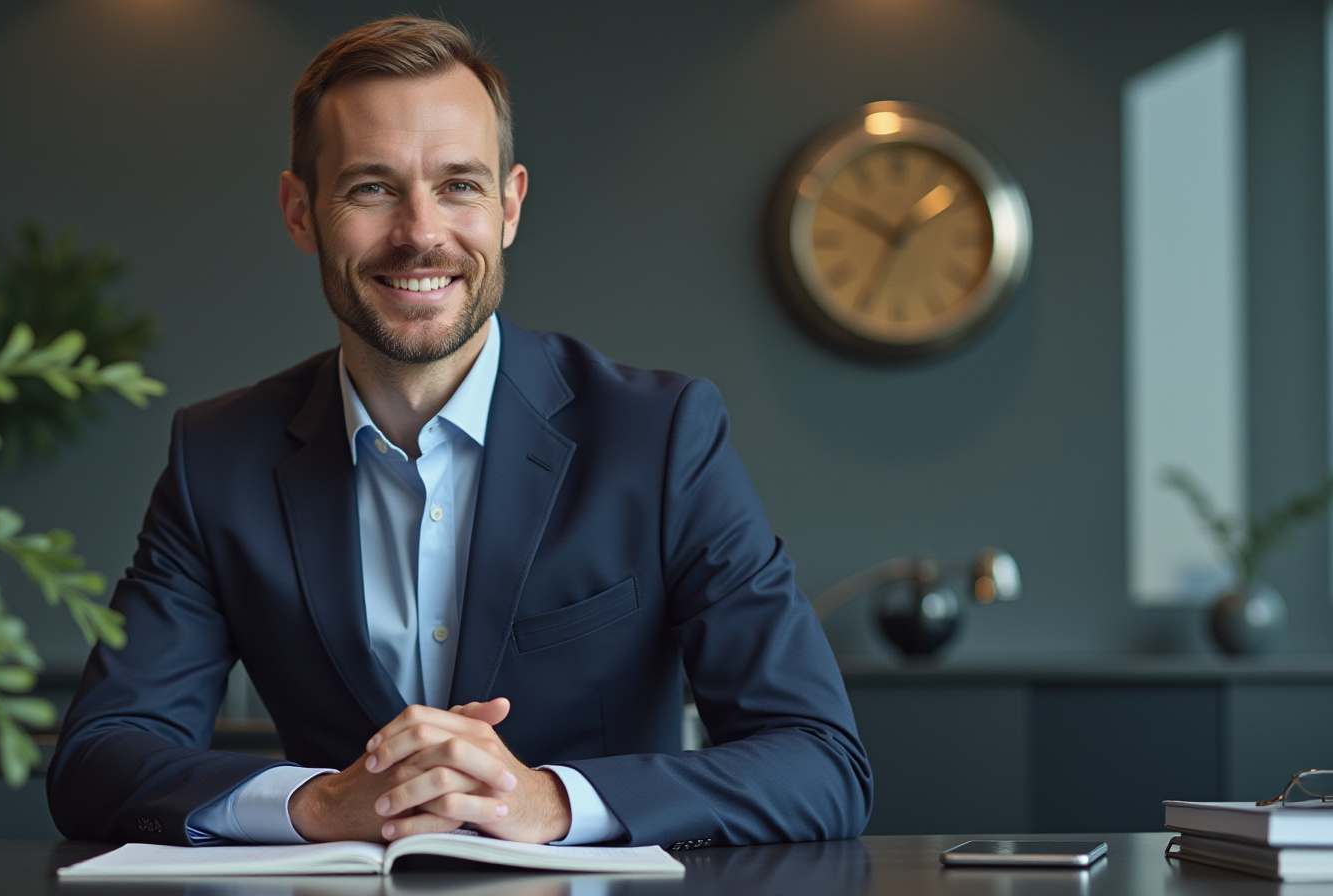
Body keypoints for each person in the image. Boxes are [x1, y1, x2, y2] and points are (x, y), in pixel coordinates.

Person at [46, 15, 871, 849]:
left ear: (510, 206)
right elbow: (97, 760)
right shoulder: (218, 458)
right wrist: (320, 806)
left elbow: (820, 762)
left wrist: (551, 802)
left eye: (459, 186)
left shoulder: (661, 438)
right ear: (301, 213)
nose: (420, 232)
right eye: (372, 187)